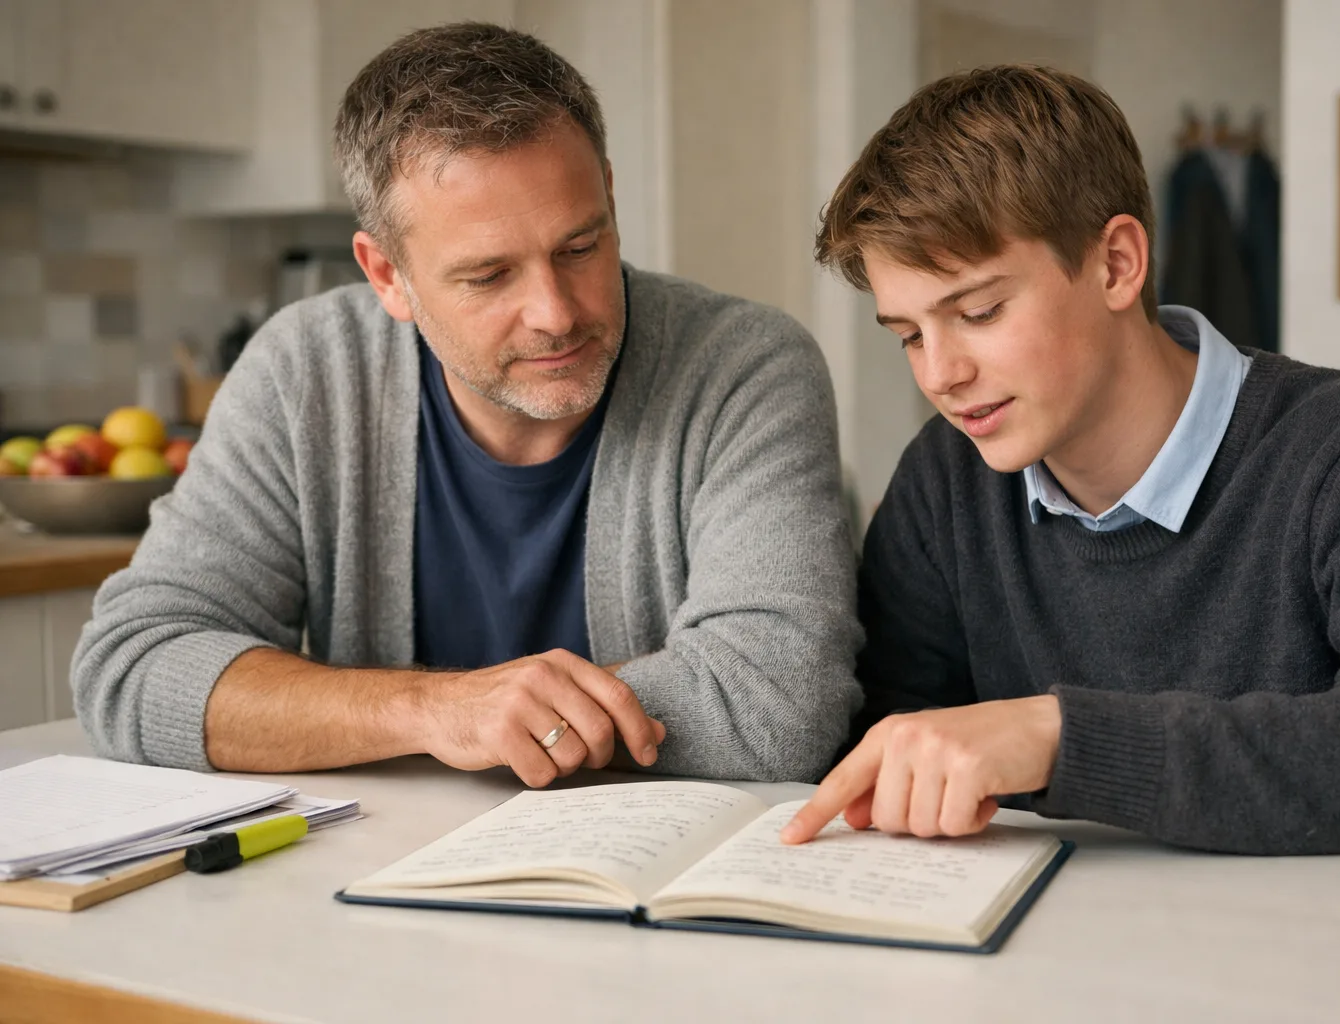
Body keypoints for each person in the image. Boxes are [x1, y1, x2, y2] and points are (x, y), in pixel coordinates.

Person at [781, 65, 1340, 871]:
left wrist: (1064, 738)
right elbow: (889, 739)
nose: (940, 374)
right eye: (908, 334)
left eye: (978, 312)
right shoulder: (945, 480)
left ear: (1116, 264)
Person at [73, 23, 861, 787]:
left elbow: (777, 702)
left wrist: (490, 717)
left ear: (610, 196)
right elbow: (132, 666)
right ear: (386, 275)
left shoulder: (745, 366)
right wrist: (439, 711)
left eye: (580, 247)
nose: (555, 311)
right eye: (489, 277)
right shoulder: (302, 371)